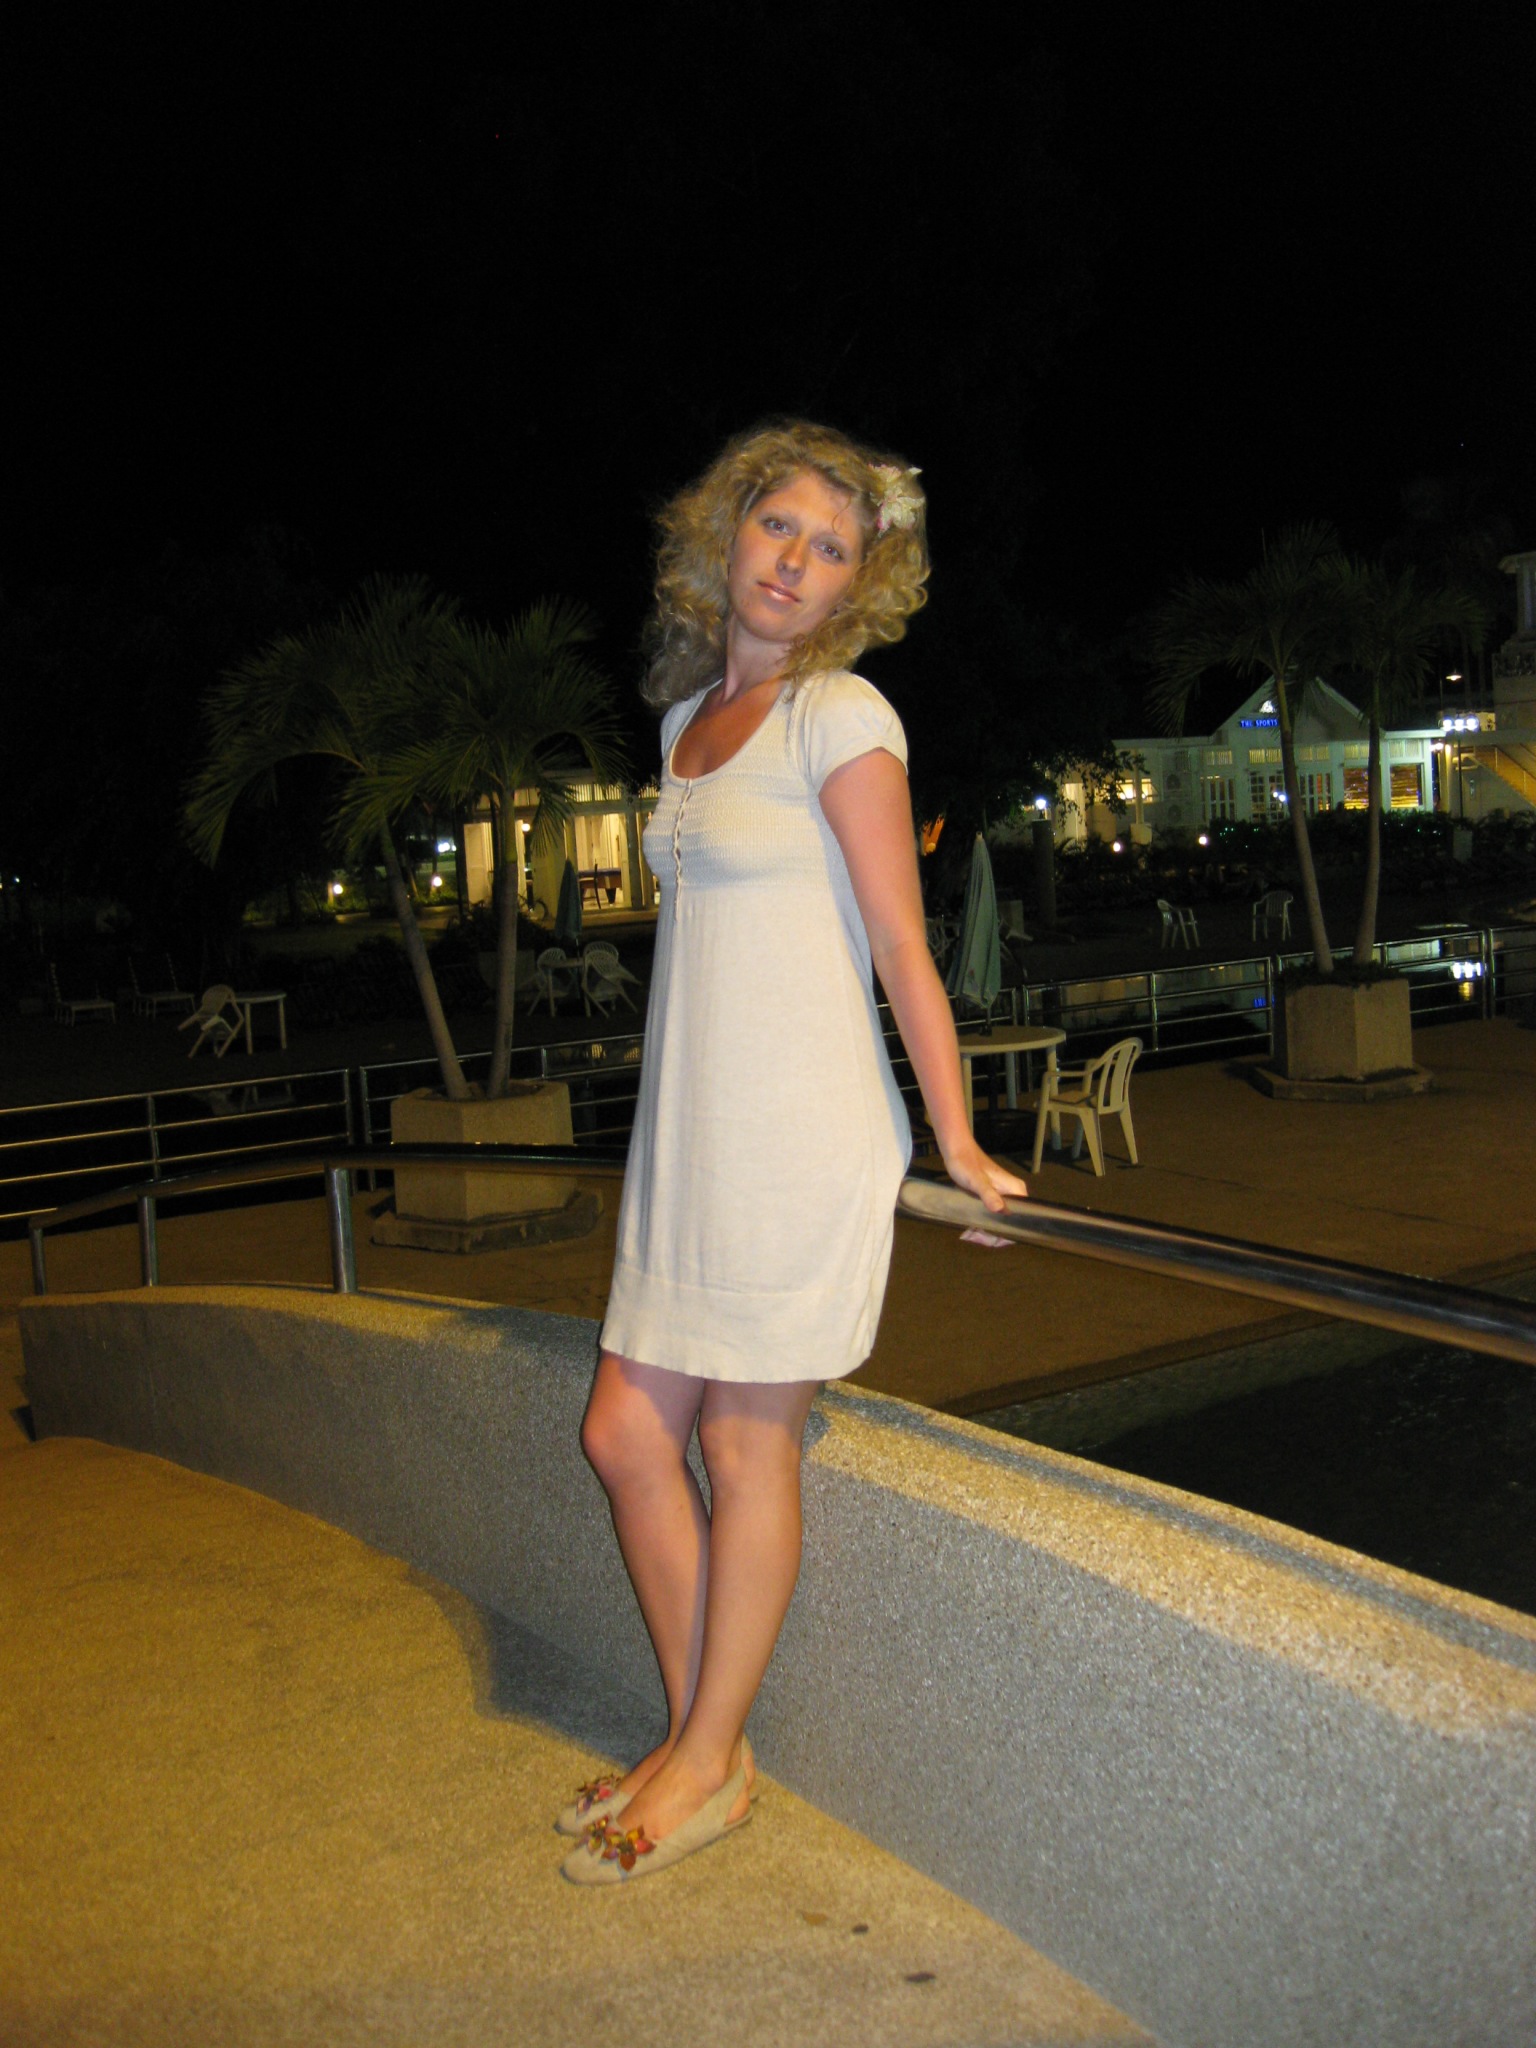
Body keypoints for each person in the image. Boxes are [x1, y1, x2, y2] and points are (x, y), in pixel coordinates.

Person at [560, 420, 1028, 1885]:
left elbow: (904, 943)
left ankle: (706, 1758)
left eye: (832, 549)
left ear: (854, 587)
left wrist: (958, 1139)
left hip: (797, 1133)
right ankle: (704, 1737)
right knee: (624, 1435)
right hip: (691, 1138)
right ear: (728, 531)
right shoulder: (685, 723)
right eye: (780, 527)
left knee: (740, 1441)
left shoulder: (843, 715)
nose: (796, 562)